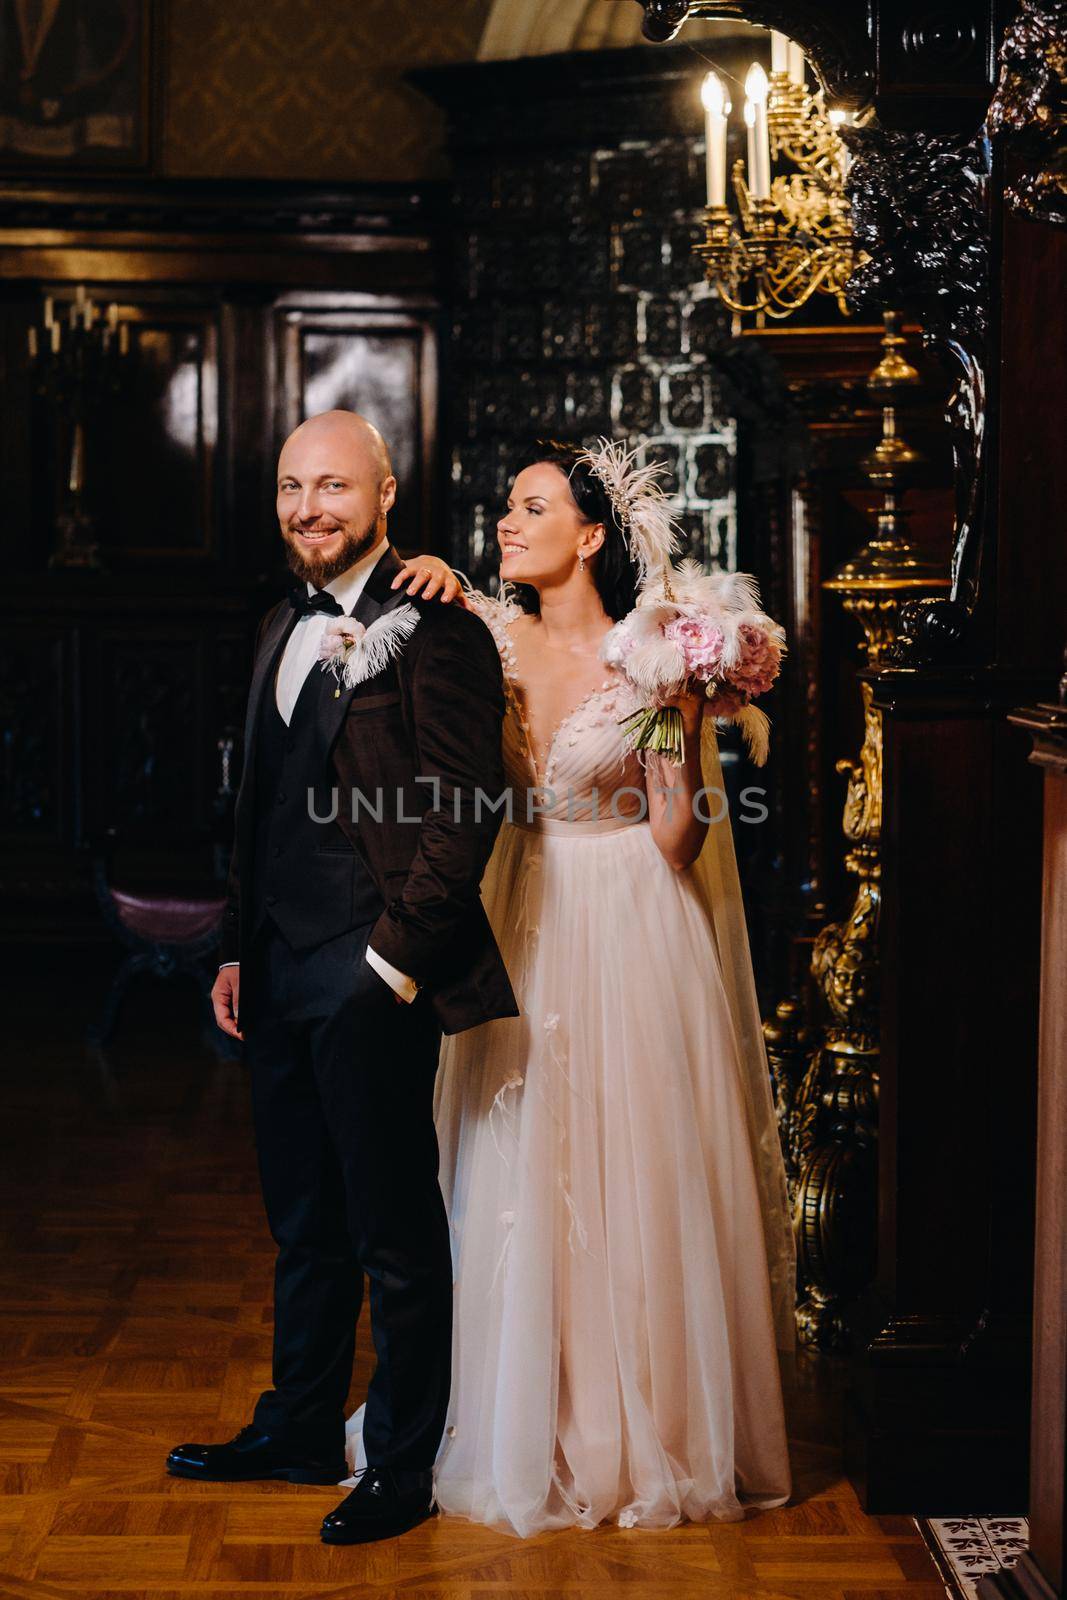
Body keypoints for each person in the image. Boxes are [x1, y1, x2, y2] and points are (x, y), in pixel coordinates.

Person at [349, 439, 797, 1536]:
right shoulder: (481, 637)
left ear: (589, 535)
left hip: (628, 917)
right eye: (504, 507)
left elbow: (680, 843)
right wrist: (438, 583)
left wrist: (686, 718)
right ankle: (506, 1413)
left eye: (532, 506)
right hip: (512, 904)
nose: (506, 522)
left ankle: (627, 1420)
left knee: (627, 1167)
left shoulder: (647, 656)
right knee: (510, 1156)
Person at [165, 409, 517, 1546]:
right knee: (303, 1223)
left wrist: (393, 963)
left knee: (393, 1233)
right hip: (273, 967)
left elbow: (466, 809)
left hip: (369, 972)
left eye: (331, 486)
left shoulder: (437, 623)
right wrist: (231, 943)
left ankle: (403, 1467)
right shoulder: (278, 619)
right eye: (288, 486)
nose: (307, 507)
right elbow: (258, 809)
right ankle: (302, 1426)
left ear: (384, 493)